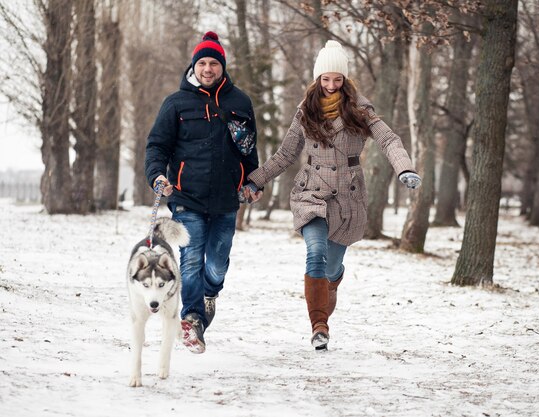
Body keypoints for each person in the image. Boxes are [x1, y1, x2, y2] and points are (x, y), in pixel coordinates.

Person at [242, 40, 421, 350]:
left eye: (337, 79)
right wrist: (254, 182)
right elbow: (285, 155)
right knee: (315, 252)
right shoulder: (305, 111)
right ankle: (319, 327)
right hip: (311, 192)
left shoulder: (360, 109)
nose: (331, 85)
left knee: (330, 270)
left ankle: (329, 291)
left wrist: (404, 168)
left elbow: (389, 140)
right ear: (317, 79)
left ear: (345, 79)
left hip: (347, 199)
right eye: (325, 79)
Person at [145, 31, 259, 354]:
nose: (208, 68)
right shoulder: (176, 104)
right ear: (194, 66)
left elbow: (249, 150)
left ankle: (211, 293)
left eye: (214, 63)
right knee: (191, 258)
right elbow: (157, 146)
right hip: (186, 197)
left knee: (217, 264)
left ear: (222, 66)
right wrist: (156, 176)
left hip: (226, 198)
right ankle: (192, 319)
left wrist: (254, 182)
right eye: (202, 63)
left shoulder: (240, 103)